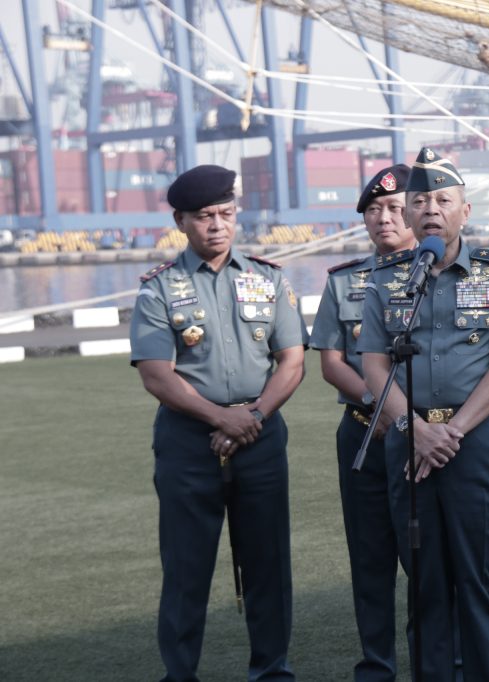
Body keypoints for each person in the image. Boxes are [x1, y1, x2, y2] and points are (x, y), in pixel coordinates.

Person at [357, 147, 489, 681]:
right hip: (408, 444)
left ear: (465, 211)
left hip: (475, 442)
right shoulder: (388, 279)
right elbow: (374, 364)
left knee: (479, 581)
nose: (431, 210)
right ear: (409, 213)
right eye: (420, 202)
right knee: (425, 585)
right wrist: (414, 429)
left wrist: (449, 432)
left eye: (443, 201)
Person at [129, 164, 307, 681]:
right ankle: (180, 674)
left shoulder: (268, 279)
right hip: (189, 442)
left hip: (260, 437)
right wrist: (222, 419)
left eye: (226, 214)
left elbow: (292, 361)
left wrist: (252, 416)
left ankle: (271, 671)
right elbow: (157, 374)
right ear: (181, 221)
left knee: (268, 566)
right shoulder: (160, 288)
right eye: (204, 216)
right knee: (186, 569)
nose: (217, 225)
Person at [309, 164, 417, 680]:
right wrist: (379, 405)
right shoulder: (344, 281)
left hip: (420, 435)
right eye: (373, 210)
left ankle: (435, 663)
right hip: (363, 433)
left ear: (415, 210)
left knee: (426, 559)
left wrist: (397, 412)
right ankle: (377, 667)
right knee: (370, 558)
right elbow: (331, 362)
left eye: (394, 207)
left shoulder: (441, 275)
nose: (383, 218)